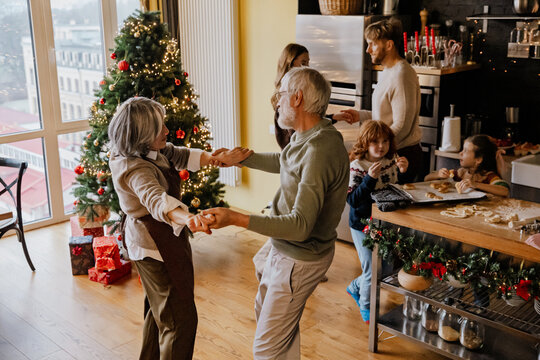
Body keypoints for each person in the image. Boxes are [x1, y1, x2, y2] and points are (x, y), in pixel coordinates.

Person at [203, 67, 349, 359]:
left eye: (280, 94)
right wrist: (240, 160)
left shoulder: (320, 149)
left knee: (267, 349)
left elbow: (300, 226)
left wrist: (235, 218)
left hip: (300, 256)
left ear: (297, 98)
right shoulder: (307, 135)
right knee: (276, 330)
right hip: (284, 249)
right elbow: (286, 161)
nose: (276, 101)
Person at [108, 97, 251, 360]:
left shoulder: (150, 150)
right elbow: (155, 199)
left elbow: (179, 154)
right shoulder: (134, 168)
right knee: (180, 322)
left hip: (157, 240)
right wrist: (187, 218)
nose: (166, 131)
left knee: (159, 309)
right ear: (141, 135)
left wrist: (219, 159)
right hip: (154, 244)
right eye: (159, 127)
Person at [333, 18, 423, 182]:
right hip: (388, 151)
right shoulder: (388, 71)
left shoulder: (402, 74)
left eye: (373, 44)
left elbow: (402, 125)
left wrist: (371, 145)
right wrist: (361, 115)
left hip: (400, 155)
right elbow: (386, 116)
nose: (368, 50)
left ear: (389, 45)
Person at [345, 120, 409, 323]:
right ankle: (365, 306)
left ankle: (356, 286)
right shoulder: (358, 167)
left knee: (388, 268)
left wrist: (403, 171)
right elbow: (352, 199)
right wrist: (369, 179)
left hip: (385, 224)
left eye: (385, 141)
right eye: (375, 142)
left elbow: (394, 188)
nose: (381, 146)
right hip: (362, 225)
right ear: (365, 143)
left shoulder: (391, 160)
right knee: (372, 269)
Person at [424, 134, 509, 197]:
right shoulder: (461, 174)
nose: (460, 153)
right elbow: (426, 179)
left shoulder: (488, 177)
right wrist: (438, 174)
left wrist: (475, 184)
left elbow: (505, 191)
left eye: (465, 151)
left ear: (478, 159)